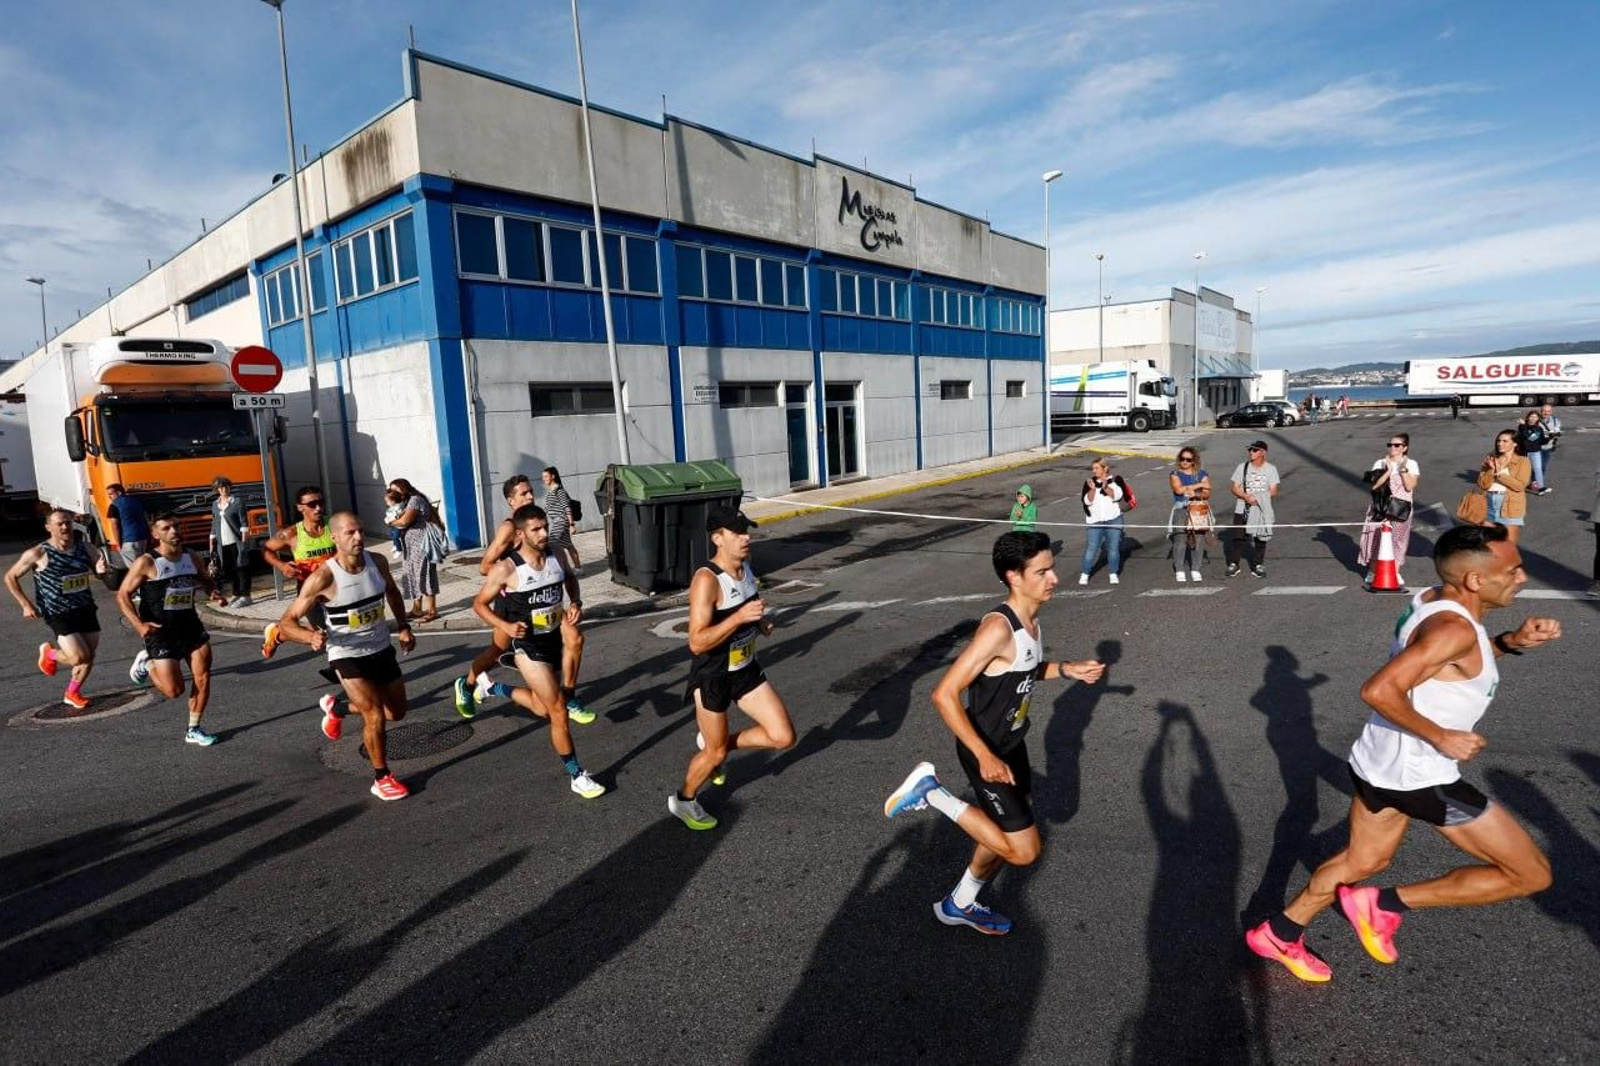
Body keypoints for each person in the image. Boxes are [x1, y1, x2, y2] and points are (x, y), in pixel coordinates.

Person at [1245, 524, 1558, 982]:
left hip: (1379, 762)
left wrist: (1510, 643)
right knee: (1530, 875)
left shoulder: (1435, 602)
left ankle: (1279, 932)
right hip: (1421, 775)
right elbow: (1379, 688)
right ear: (1473, 580)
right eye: (1512, 570)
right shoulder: (1453, 628)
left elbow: (1446, 666)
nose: (1522, 577)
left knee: (1364, 860)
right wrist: (1440, 735)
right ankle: (1381, 905)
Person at [884, 531, 1105, 935]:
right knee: (1023, 850)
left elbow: (1023, 670)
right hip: (985, 749)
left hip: (1011, 745)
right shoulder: (997, 629)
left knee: (1003, 833)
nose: (1053, 578)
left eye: (1051, 568)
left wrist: (1067, 669)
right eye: (1042, 572)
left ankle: (961, 902)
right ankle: (930, 791)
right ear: (1013, 576)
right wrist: (984, 757)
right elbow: (944, 694)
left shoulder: (1030, 622)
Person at [668, 505, 796, 831]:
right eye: (737, 532)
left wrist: (760, 623)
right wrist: (740, 619)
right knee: (714, 755)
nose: (746, 537)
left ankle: (716, 744)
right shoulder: (706, 580)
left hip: (745, 669)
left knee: (782, 736)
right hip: (713, 676)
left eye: (746, 530)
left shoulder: (746, 567)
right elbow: (696, 642)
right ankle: (683, 799)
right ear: (717, 538)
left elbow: (742, 607)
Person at [274, 511, 415, 801]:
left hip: (380, 648)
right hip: (346, 653)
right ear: (334, 537)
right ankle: (382, 777)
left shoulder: (378, 562)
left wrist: (403, 626)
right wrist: (309, 636)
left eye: (361, 531)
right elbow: (285, 624)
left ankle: (337, 709)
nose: (359, 538)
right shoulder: (323, 577)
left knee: (396, 712)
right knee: (374, 715)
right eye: (350, 533)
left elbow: (392, 592)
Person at [470, 504, 605, 800]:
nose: (544, 533)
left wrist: (576, 603)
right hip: (526, 647)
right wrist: (504, 626)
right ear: (520, 534)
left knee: (544, 708)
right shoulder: (507, 568)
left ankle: (493, 687)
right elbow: (479, 604)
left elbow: (569, 578)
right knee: (558, 709)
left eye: (545, 526)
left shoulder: (556, 554)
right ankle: (577, 774)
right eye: (536, 529)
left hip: (552, 640)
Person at [453, 474, 590, 722]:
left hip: (537, 598)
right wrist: (512, 571)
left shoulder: (535, 521)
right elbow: (485, 566)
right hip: (512, 598)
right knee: (498, 649)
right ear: (510, 500)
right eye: (523, 494)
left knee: (568, 637)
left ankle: (564, 695)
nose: (529, 496)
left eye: (530, 492)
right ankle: (469, 683)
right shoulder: (509, 528)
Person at [119, 513, 228, 745]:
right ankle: (146, 662)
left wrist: (212, 592)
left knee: (203, 676)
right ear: (155, 534)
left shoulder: (191, 556)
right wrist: (139, 625)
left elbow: (205, 579)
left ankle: (194, 729)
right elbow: (122, 594)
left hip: (190, 626)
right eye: (166, 528)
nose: (174, 531)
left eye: (177, 526)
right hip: (161, 632)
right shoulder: (147, 562)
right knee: (173, 691)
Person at [6, 509, 108, 710]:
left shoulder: (84, 547)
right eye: (59, 524)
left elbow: (99, 573)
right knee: (78, 657)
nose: (64, 527)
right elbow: (10, 577)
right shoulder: (38, 553)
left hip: (85, 606)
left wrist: (102, 571)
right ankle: (50, 654)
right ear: (48, 527)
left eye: (68, 523)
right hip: (58, 611)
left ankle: (72, 693)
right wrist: (25, 605)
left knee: (89, 656)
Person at [260, 486, 341, 715]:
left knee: (335, 634)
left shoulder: (332, 526)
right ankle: (280, 633)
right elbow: (266, 550)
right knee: (323, 636)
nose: (318, 508)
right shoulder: (292, 535)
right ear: (300, 508)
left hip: (335, 591)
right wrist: (282, 566)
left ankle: (339, 668)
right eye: (312, 504)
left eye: (320, 502)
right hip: (309, 595)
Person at [1359, 433, 1420, 587]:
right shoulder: (1379, 463)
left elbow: (1410, 486)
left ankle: (1395, 572)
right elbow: (1374, 486)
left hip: (1401, 508)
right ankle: (1373, 571)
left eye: (1397, 445)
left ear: (1405, 448)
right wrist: (1387, 471)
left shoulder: (1411, 464)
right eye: (1390, 445)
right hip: (1379, 507)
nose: (1392, 448)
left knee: (1398, 540)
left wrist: (1402, 470)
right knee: (1374, 538)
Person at [386, 478, 440, 622]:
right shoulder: (405, 503)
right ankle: (417, 609)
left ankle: (432, 610)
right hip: (410, 546)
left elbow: (405, 522)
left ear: (405, 488)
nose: (393, 493)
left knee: (424, 575)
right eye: (391, 490)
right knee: (412, 576)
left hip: (421, 545)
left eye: (396, 489)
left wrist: (391, 522)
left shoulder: (415, 500)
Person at [1226, 441, 1280, 578]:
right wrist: (1246, 496)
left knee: (1261, 537)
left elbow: (1273, 490)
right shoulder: (1242, 467)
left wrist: (1258, 498)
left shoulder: (1271, 469)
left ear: (1263, 452)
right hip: (1243, 507)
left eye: (1255, 450)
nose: (1251, 452)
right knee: (1238, 536)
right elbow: (1234, 488)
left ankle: (1258, 564)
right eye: (1250, 449)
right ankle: (1234, 564)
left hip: (1261, 508)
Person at [1078, 458, 1126, 585]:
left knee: (1113, 548)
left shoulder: (1115, 480)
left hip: (1114, 519)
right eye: (1093, 468)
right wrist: (1093, 489)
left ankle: (1113, 573)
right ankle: (1085, 573)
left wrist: (1105, 487)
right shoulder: (1089, 483)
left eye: (1096, 468)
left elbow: (1117, 496)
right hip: (1095, 521)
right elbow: (1086, 501)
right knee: (1091, 548)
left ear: (1105, 468)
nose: (1093, 471)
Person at [1477, 431, 1530, 544]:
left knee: (1508, 545)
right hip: (1488, 504)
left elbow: (1519, 486)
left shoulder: (1523, 462)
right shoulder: (1490, 459)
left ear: (1515, 444)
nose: (1500, 444)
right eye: (1498, 441)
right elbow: (1482, 484)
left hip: (1510, 506)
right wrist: (1491, 469)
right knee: (1489, 545)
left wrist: (1499, 473)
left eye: (1505, 441)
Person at [1168, 447, 1212, 582]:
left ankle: (1195, 568)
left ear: (1194, 461)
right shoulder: (1175, 473)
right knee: (1180, 539)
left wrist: (1196, 493)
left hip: (1198, 507)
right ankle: (1179, 568)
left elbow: (1207, 493)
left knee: (1198, 539)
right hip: (1181, 507)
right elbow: (1178, 490)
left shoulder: (1202, 473)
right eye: (1182, 459)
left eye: (1188, 459)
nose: (1185, 462)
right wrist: (1198, 484)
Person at [209, 477, 251, 607]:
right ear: (217, 490)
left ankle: (246, 596)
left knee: (242, 567)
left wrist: (244, 542)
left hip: (237, 541)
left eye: (226, 486)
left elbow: (244, 522)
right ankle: (236, 593)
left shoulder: (237, 502)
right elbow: (215, 523)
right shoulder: (215, 505)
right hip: (223, 543)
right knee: (230, 570)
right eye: (221, 487)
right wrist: (211, 542)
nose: (224, 489)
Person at [541, 466, 580, 573]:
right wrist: (538, 515)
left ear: (553, 476)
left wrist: (572, 524)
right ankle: (578, 568)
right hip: (558, 521)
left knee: (552, 543)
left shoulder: (559, 491)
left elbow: (566, 507)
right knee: (568, 545)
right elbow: (548, 507)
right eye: (543, 477)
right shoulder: (551, 491)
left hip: (561, 521)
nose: (543, 479)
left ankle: (558, 569)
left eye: (545, 476)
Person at [106, 483, 151, 571]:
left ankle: (142, 584)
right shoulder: (136, 501)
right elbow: (145, 518)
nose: (109, 497)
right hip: (142, 538)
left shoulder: (114, 506)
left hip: (128, 541)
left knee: (134, 570)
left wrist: (118, 544)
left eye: (111, 494)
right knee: (143, 565)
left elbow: (115, 526)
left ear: (119, 493)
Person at [1513, 410, 1549, 495]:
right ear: (1528, 417)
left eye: (1535, 417)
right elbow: (1528, 436)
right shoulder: (1522, 426)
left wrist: (1550, 438)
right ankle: (1517, 486)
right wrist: (1524, 425)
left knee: (1538, 469)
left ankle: (1541, 488)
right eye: (1531, 416)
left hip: (1535, 451)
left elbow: (1541, 441)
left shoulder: (1539, 428)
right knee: (1522, 470)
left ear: (1538, 419)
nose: (1533, 419)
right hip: (1524, 452)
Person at [1536, 403, 1561, 493]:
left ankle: (1537, 483)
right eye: (1544, 411)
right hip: (1537, 447)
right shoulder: (1536, 420)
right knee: (1538, 466)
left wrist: (1556, 433)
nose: (1546, 413)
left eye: (1548, 411)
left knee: (1543, 466)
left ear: (1551, 412)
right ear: (1541, 411)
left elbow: (1557, 429)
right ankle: (1539, 484)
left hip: (1548, 447)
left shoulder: (1555, 420)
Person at [382, 487, 407, 558]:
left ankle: (399, 550)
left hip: (398, 526)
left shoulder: (398, 507)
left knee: (396, 537)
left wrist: (389, 520)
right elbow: (389, 514)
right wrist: (386, 518)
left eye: (387, 501)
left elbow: (397, 516)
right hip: (392, 525)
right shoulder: (392, 507)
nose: (386, 503)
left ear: (393, 501)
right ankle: (396, 545)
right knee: (391, 535)